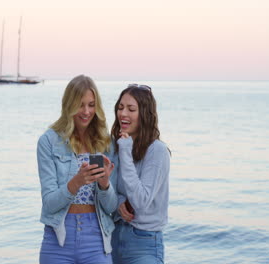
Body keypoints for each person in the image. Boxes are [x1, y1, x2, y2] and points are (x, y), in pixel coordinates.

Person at [37, 74, 118, 264]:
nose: (86, 111)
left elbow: (111, 207)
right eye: (80, 105)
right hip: (58, 239)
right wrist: (77, 182)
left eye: (91, 105)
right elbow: (49, 203)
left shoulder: (105, 143)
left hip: (96, 237)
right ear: (68, 105)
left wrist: (105, 184)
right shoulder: (48, 141)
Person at [111, 84, 170, 264]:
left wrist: (126, 153)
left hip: (144, 244)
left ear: (144, 113)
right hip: (113, 238)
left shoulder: (157, 151)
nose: (123, 114)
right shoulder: (118, 146)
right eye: (120, 108)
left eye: (131, 109)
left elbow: (141, 201)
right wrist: (119, 201)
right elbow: (107, 186)